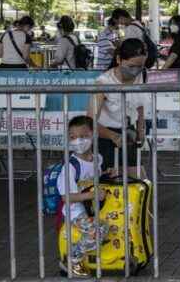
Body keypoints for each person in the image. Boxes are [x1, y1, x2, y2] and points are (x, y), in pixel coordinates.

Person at [55, 115, 111, 278]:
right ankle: (72, 260)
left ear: (93, 135)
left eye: (83, 136)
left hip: (91, 209)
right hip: (75, 211)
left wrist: (107, 174)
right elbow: (66, 197)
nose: (78, 141)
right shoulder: (70, 167)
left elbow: (95, 180)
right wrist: (91, 194)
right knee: (98, 231)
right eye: (73, 137)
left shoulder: (96, 160)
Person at [87, 39, 147, 178]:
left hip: (129, 134)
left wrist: (140, 128)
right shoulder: (103, 82)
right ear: (119, 59)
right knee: (108, 184)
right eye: (131, 66)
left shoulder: (140, 75)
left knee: (140, 182)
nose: (135, 71)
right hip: (105, 137)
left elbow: (140, 104)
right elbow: (90, 120)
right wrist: (113, 136)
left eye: (140, 66)